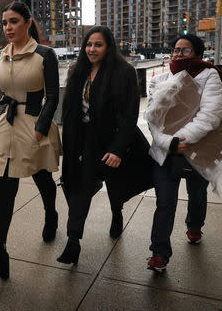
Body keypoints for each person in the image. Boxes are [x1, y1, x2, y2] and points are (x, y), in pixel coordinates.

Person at [57, 26, 153, 265]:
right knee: (78, 185)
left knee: (115, 183)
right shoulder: (77, 70)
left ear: (108, 46)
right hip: (84, 139)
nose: (92, 49)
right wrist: (67, 144)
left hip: (112, 137)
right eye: (88, 44)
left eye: (98, 45)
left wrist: (118, 149)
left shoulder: (124, 72)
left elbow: (130, 114)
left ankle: (117, 213)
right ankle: (73, 240)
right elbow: (70, 110)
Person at [0, 1, 61, 287]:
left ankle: (50, 214)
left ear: (28, 23)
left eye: (14, 21)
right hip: (6, 127)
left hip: (33, 126)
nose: (8, 28)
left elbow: (52, 96)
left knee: (43, 179)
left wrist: (41, 129)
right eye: (4, 23)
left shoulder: (44, 55)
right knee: (3, 194)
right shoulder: (0, 56)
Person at [146, 34, 222, 273]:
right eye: (176, 50)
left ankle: (194, 225)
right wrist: (168, 142)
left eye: (185, 50)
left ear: (198, 54)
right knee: (164, 203)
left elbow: (210, 115)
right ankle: (159, 253)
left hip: (197, 149)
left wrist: (182, 139)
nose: (178, 54)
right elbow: (152, 117)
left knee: (197, 194)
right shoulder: (159, 79)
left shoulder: (209, 75)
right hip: (165, 151)